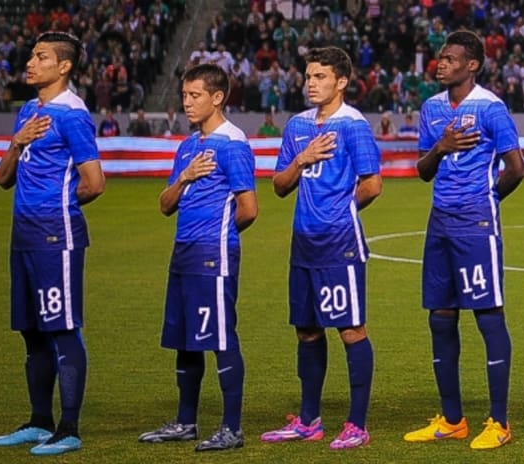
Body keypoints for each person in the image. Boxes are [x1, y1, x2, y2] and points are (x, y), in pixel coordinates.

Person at [404, 30, 524, 450]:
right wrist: (439, 148)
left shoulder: (491, 108)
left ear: (472, 65)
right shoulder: (431, 108)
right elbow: (422, 171)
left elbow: (516, 167)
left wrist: (485, 200)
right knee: (440, 316)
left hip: (475, 224)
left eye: (451, 59)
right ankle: (453, 420)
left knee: (487, 315)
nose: (441, 64)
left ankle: (499, 422)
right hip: (439, 223)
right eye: (440, 57)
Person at [260, 46, 382, 450]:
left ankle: (357, 425)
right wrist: (301, 159)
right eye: (308, 76)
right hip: (303, 243)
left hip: (339, 243)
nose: (310, 83)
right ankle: (309, 421)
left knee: (350, 328)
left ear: (341, 82)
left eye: (320, 77)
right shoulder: (296, 127)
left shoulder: (353, 125)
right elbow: (279, 186)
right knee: (307, 331)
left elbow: (372, 183)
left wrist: (338, 212)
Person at [0, 31, 105, 457]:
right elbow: (4, 179)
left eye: (41, 57)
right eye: (31, 55)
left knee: (61, 327)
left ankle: (69, 427)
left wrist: (55, 206)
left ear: (64, 67)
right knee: (32, 330)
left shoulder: (73, 115)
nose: (30, 63)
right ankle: (39, 421)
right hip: (22, 234)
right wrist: (16, 142)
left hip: (54, 235)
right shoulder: (27, 111)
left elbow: (95, 183)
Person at [138, 63, 258, 452]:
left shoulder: (233, 144)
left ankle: (232, 428)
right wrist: (185, 177)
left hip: (212, 252)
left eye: (195, 96)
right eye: (185, 95)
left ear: (217, 97)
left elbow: (249, 208)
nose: (187, 103)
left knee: (220, 337)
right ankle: (185, 422)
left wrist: (219, 237)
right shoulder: (188, 147)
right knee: (185, 340)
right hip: (183, 252)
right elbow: (164, 205)